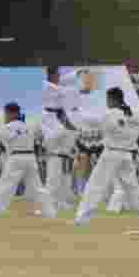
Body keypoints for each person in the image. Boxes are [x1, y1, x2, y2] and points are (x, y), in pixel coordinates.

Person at [71, 88, 139, 226]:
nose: (107, 102)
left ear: (112, 99)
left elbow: (91, 120)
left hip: (111, 154)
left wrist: (76, 110)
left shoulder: (111, 114)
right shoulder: (134, 116)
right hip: (126, 155)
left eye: (108, 99)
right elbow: (138, 131)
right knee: (133, 187)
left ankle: (82, 217)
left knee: (96, 185)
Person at [0, 103, 57, 219]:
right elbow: (41, 133)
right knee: (38, 188)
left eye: (6, 114)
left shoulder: (9, 127)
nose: (5, 116)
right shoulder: (30, 125)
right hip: (30, 158)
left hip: (16, 158)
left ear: (11, 113)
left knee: (5, 187)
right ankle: (50, 213)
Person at [41, 66, 85, 211]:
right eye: (57, 75)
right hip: (52, 122)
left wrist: (77, 73)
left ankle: (62, 201)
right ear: (51, 75)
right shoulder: (48, 87)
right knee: (54, 172)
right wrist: (78, 90)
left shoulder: (54, 84)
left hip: (59, 121)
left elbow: (64, 81)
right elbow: (63, 90)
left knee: (64, 160)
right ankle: (49, 203)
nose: (59, 78)